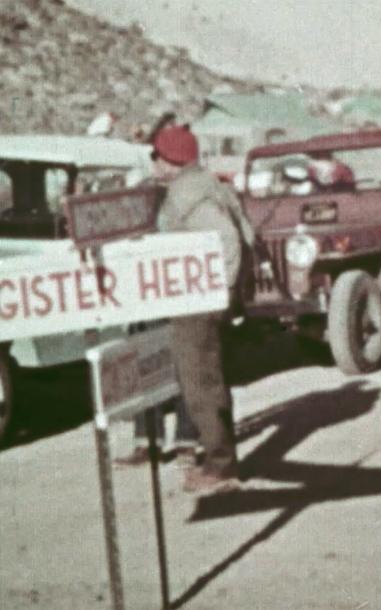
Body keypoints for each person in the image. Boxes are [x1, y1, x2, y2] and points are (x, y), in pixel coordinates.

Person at [151, 121, 254, 492]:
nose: (153, 165)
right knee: (210, 379)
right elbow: (247, 231)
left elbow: (229, 239)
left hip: (198, 300)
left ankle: (220, 466)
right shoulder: (211, 184)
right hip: (207, 297)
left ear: (167, 161)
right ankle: (220, 459)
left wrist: (219, 288)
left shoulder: (185, 193)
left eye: (155, 156)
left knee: (199, 382)